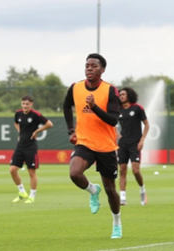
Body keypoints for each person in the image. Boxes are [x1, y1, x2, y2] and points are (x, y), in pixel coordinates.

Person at [63, 53, 122, 239]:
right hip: (85, 142)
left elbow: (113, 120)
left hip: (106, 146)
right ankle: (92, 190)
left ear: (102, 70)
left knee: (111, 189)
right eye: (87, 65)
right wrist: (71, 130)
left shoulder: (111, 90)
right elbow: (66, 106)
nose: (89, 68)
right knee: (74, 174)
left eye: (94, 66)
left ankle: (116, 223)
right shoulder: (75, 87)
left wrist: (95, 106)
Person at [10, 95, 53, 204]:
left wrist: (36, 132)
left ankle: (32, 196)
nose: (25, 106)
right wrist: (20, 132)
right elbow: (16, 122)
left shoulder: (35, 115)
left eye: (27, 104)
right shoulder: (18, 113)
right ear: (21, 104)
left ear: (31, 104)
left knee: (31, 172)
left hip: (31, 146)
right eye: (23, 104)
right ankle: (22, 192)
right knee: (12, 170)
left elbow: (49, 124)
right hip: (20, 145)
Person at [117, 87, 149, 206]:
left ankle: (142, 190)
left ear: (129, 95)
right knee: (122, 170)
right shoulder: (118, 110)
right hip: (123, 143)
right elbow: (111, 123)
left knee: (135, 171)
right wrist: (117, 135)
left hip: (135, 143)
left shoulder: (137, 108)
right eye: (120, 95)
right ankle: (123, 198)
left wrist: (142, 140)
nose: (121, 96)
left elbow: (146, 125)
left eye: (123, 94)